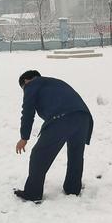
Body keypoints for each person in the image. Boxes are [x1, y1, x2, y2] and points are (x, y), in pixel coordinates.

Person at [14, 71, 94, 203]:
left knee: (38, 154)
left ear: (26, 81)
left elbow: (28, 111)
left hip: (61, 118)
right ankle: (72, 188)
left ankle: (33, 193)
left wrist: (24, 137)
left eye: (23, 88)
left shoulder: (31, 85)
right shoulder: (54, 82)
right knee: (75, 154)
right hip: (83, 117)